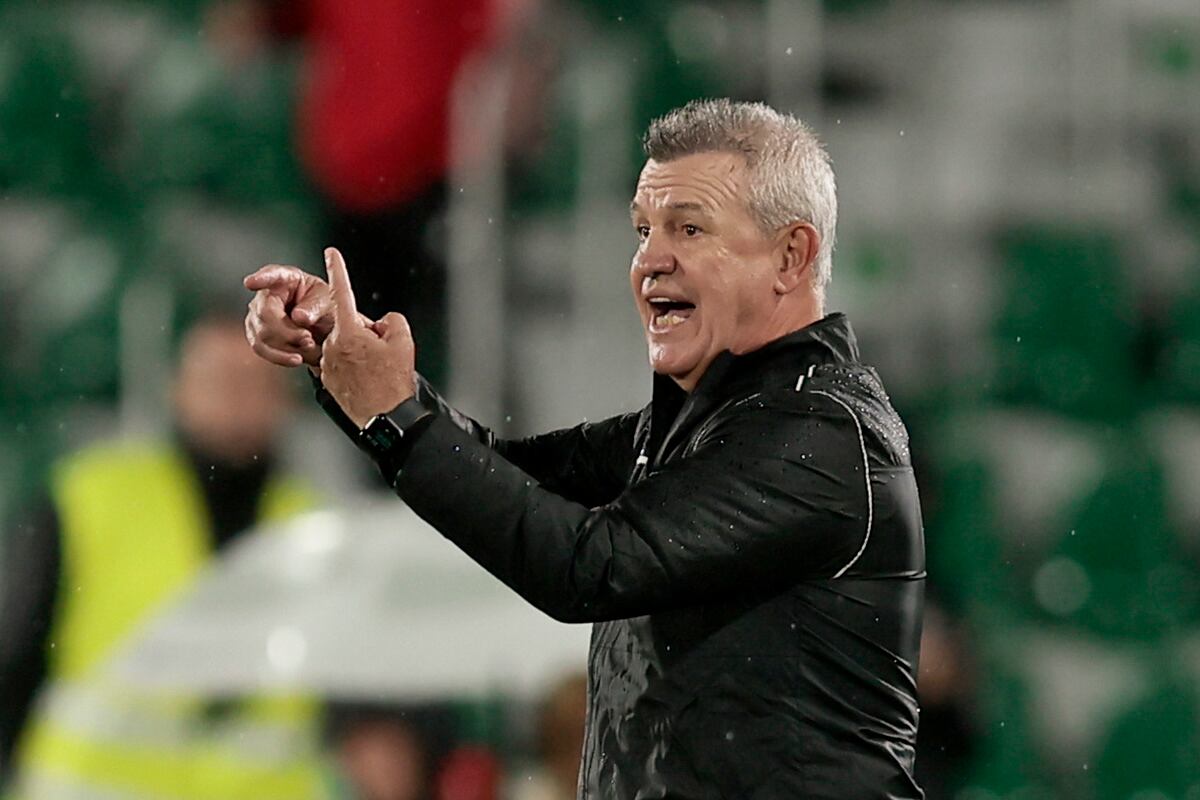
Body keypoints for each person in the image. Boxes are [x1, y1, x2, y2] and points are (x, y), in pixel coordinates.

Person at [244, 99, 926, 798]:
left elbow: (587, 567)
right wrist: (356, 371)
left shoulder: (822, 435)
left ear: (792, 255)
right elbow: (498, 472)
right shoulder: (693, 430)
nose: (651, 259)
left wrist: (396, 415)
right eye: (643, 230)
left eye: (689, 228)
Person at [0, 314, 328, 798]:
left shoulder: (317, 531)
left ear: (284, 401)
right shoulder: (89, 499)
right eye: (219, 378)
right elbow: (14, 662)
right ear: (178, 388)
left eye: (256, 380)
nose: (237, 398)